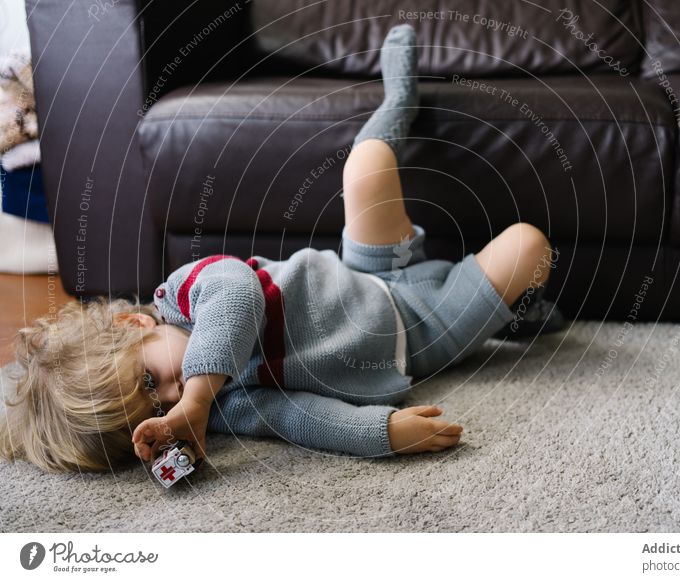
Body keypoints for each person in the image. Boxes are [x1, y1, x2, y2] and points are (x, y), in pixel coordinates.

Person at [0, 24, 562, 473]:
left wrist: (194, 397)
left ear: (135, 327)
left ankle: (398, 100)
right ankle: (510, 310)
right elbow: (303, 419)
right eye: (158, 411)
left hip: (367, 270)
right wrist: (385, 434)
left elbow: (240, 294)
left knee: (365, 165)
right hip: (416, 333)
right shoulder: (227, 405)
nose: (172, 398)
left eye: (151, 381)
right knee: (528, 246)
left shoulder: (190, 291)